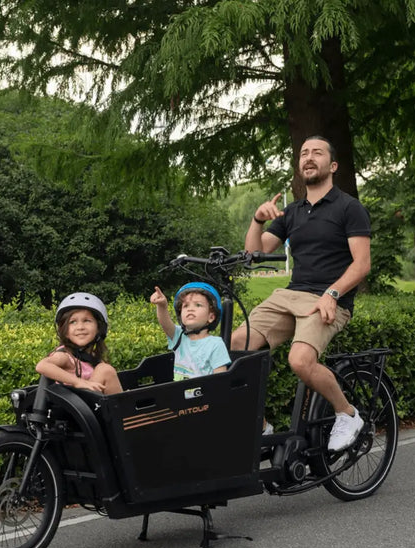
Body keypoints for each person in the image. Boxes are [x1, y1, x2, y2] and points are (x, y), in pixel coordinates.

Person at [231, 135, 371, 452]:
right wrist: (257, 220)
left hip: (327, 300)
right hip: (290, 295)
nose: (308, 157)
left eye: (317, 152)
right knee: (234, 345)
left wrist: (332, 294)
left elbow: (362, 265)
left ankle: (347, 414)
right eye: (304, 153)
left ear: (332, 165)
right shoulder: (293, 212)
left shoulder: (350, 208)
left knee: (300, 360)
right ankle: (261, 427)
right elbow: (255, 255)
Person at [36, 292, 123, 395]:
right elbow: (42, 366)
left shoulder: (93, 358)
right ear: (65, 331)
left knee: (104, 369)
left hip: (97, 406)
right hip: (77, 408)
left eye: (87, 321)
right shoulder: (65, 356)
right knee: (105, 370)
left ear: (99, 328)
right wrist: (77, 382)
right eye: (73, 322)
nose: (80, 327)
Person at [150, 282, 231, 381]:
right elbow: (164, 322)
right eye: (186, 306)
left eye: (198, 305)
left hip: (205, 395)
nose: (190, 309)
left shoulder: (215, 344)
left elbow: (221, 379)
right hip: (179, 394)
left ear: (211, 317)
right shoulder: (179, 336)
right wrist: (162, 306)